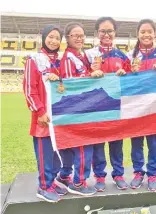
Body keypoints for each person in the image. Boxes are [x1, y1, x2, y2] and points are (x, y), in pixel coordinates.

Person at [84, 17, 131, 192]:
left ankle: (118, 175)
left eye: (110, 31)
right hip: (96, 107)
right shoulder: (88, 55)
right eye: (103, 31)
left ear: (115, 33)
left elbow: (131, 79)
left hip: (116, 106)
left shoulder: (122, 56)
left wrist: (124, 73)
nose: (106, 34)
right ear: (97, 33)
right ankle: (100, 176)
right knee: (98, 144)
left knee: (116, 143)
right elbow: (81, 77)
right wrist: (91, 73)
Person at [23, 25, 67, 203]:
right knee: (45, 153)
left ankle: (52, 180)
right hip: (43, 118)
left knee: (57, 154)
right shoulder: (34, 59)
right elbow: (29, 89)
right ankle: (44, 186)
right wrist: (40, 111)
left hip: (59, 118)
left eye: (57, 38)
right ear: (44, 38)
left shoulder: (60, 61)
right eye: (51, 37)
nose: (54, 41)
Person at [126, 19, 156, 192]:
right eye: (143, 31)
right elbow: (123, 80)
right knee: (136, 143)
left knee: (153, 143)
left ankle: (152, 174)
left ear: (154, 34)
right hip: (135, 108)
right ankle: (138, 173)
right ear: (138, 34)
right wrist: (128, 71)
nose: (146, 34)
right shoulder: (130, 56)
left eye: (149, 31)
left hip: (155, 108)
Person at [55, 22, 96, 196]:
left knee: (73, 148)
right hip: (77, 110)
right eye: (75, 35)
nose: (79, 38)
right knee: (84, 148)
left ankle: (64, 176)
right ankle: (78, 183)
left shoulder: (80, 56)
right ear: (68, 38)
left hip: (84, 109)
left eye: (82, 35)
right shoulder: (68, 59)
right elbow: (71, 87)